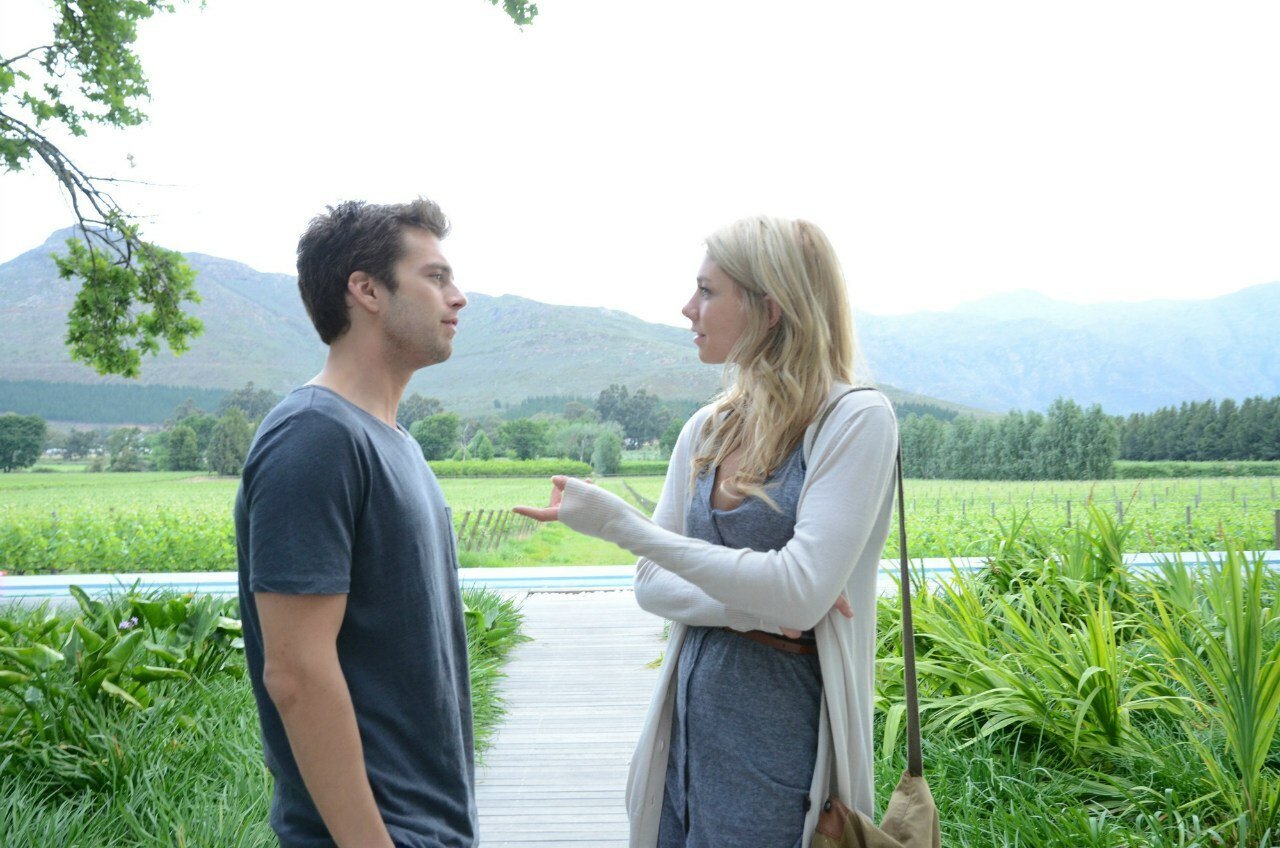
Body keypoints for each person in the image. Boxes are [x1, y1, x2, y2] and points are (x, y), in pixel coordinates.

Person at [516, 216, 899, 848]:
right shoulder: (708, 427)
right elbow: (652, 586)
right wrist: (753, 609)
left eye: (707, 290)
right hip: (684, 746)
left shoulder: (855, 420)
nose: (687, 308)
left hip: (781, 760)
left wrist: (625, 527)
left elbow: (799, 593)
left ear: (770, 308)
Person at [235, 198, 475, 848]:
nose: (458, 297)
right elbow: (296, 673)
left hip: (428, 826)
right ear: (366, 290)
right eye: (435, 277)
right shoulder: (315, 436)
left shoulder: (393, 442)